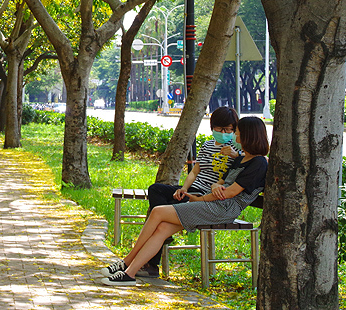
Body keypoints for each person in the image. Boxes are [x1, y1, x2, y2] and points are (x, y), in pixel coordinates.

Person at [100, 116, 269, 287]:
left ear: (248, 136)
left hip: (224, 209)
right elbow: (220, 183)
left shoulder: (259, 163)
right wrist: (215, 187)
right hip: (214, 203)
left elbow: (230, 193)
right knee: (162, 228)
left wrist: (201, 198)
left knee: (158, 211)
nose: (235, 137)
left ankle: (127, 261)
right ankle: (129, 274)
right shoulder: (241, 159)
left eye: (238, 133)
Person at [137, 106, 240, 277]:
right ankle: (161, 243)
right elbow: (194, 171)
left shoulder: (235, 148)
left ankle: (152, 265)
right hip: (193, 188)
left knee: (161, 216)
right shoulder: (207, 145)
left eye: (229, 129)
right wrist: (183, 189)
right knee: (156, 189)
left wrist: (236, 155)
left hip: (207, 197)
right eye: (220, 129)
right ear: (212, 127)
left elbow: (243, 168)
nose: (224, 132)